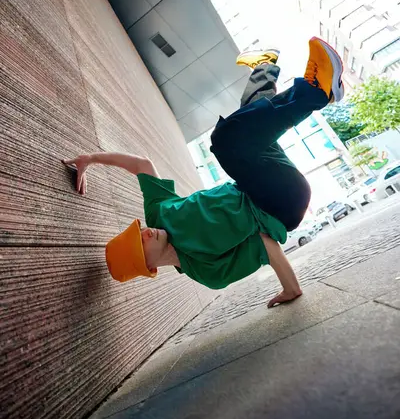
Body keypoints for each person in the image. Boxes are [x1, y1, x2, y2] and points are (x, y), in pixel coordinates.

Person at [63, 37, 344, 308]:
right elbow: (265, 244)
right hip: (280, 204)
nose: (146, 232)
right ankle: (317, 92)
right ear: (150, 267)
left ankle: (267, 72)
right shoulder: (206, 271)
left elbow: (142, 165)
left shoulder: (158, 213)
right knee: (226, 140)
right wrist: (291, 288)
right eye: (140, 242)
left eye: (139, 231)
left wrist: (92, 158)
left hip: (255, 182)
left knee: (250, 124)